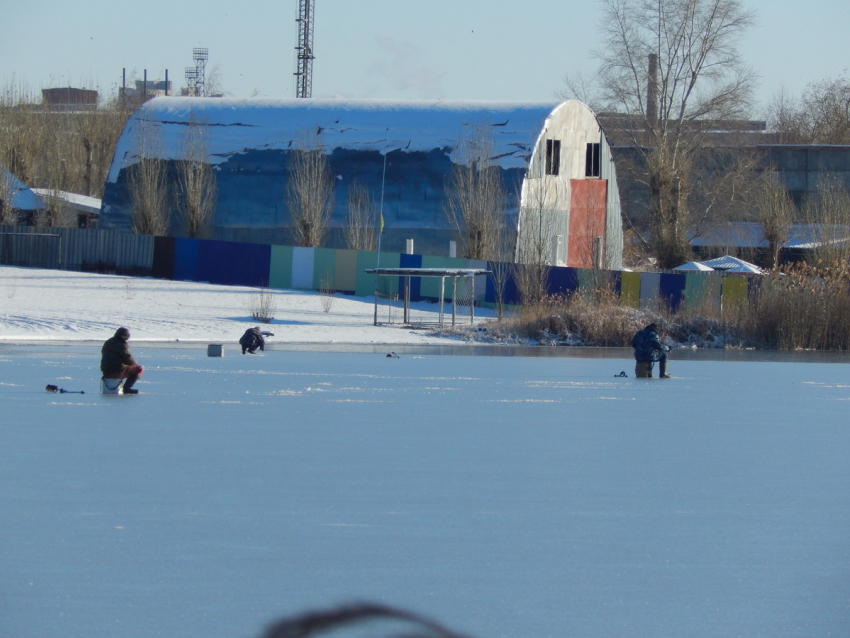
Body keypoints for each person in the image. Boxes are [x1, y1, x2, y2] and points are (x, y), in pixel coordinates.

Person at [101, 327, 144, 394]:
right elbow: (130, 360)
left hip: (106, 371)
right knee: (139, 369)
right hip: (117, 371)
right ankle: (127, 388)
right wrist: (135, 364)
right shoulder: (122, 345)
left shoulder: (108, 342)